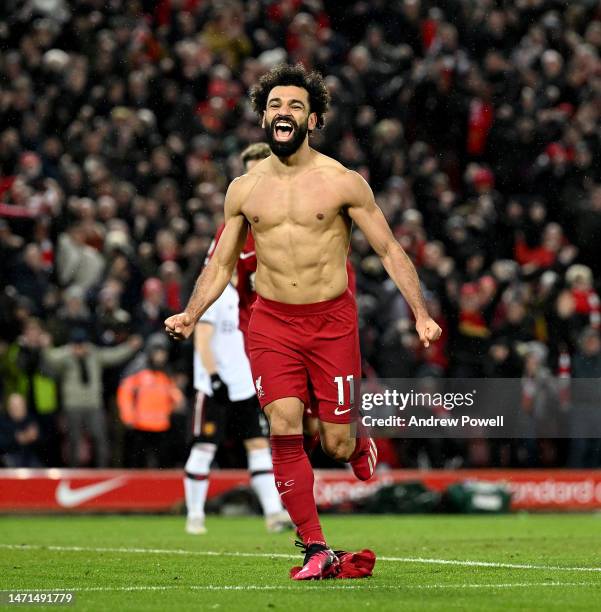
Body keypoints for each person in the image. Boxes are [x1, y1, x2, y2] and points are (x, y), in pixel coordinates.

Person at [166, 63, 441, 580]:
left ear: (312, 119)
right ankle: (314, 546)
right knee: (285, 425)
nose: (283, 113)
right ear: (262, 118)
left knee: (335, 443)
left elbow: (387, 248)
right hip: (271, 322)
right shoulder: (243, 190)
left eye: (294, 106)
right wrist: (190, 312)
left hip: (331, 322)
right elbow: (222, 265)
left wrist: (421, 314)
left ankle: (359, 444)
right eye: (274, 106)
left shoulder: (342, 182)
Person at [184, 274, 291, 535]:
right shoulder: (216, 293)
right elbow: (202, 338)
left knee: (257, 445)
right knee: (204, 448)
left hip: (245, 387)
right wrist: (213, 377)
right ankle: (195, 516)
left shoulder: (251, 297)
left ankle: (273, 513)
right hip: (213, 388)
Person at [43, 328, 142, 467]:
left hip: (93, 404)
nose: (80, 348)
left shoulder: (93, 353)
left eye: (82, 344)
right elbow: (51, 358)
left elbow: (113, 355)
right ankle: (73, 471)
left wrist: (130, 347)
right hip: (73, 404)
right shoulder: (67, 355)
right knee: (74, 440)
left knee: (99, 437)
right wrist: (47, 346)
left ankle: (101, 470)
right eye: (77, 344)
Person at [117, 333, 184, 468]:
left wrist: (177, 403)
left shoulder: (166, 373)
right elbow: (125, 395)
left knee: (162, 463)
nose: (161, 356)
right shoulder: (137, 371)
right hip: (140, 426)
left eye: (163, 353)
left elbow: (173, 394)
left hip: (161, 426)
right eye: (158, 352)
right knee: (138, 464)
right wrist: (128, 417)